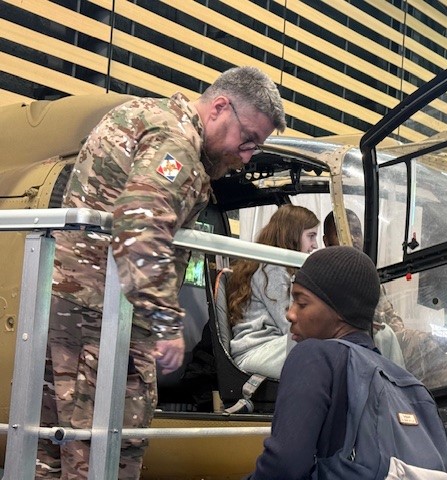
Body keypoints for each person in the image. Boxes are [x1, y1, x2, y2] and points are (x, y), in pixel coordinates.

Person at [37, 66, 286, 479]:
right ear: (219, 107)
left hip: (78, 305)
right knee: (108, 451)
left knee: (54, 448)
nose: (246, 156)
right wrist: (166, 322)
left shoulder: (150, 114)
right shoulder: (177, 147)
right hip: (104, 315)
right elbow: (141, 226)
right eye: (248, 140)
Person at [246, 246, 447, 479]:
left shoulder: (314, 356)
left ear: (339, 310)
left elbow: (283, 466)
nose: (290, 314)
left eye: (301, 303)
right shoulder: (413, 387)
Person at [323, 209, 447, 386]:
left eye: (357, 232)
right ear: (326, 241)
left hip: (387, 341)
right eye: (344, 233)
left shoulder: (368, 275)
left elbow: (391, 316)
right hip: (365, 346)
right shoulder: (324, 277)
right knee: (425, 345)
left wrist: (404, 336)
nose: (354, 239)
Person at [227, 204, 319, 379]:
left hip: (271, 347)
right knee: (324, 350)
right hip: (256, 351)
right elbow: (291, 326)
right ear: (292, 235)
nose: (314, 245)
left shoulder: (274, 267)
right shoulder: (272, 270)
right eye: (311, 236)